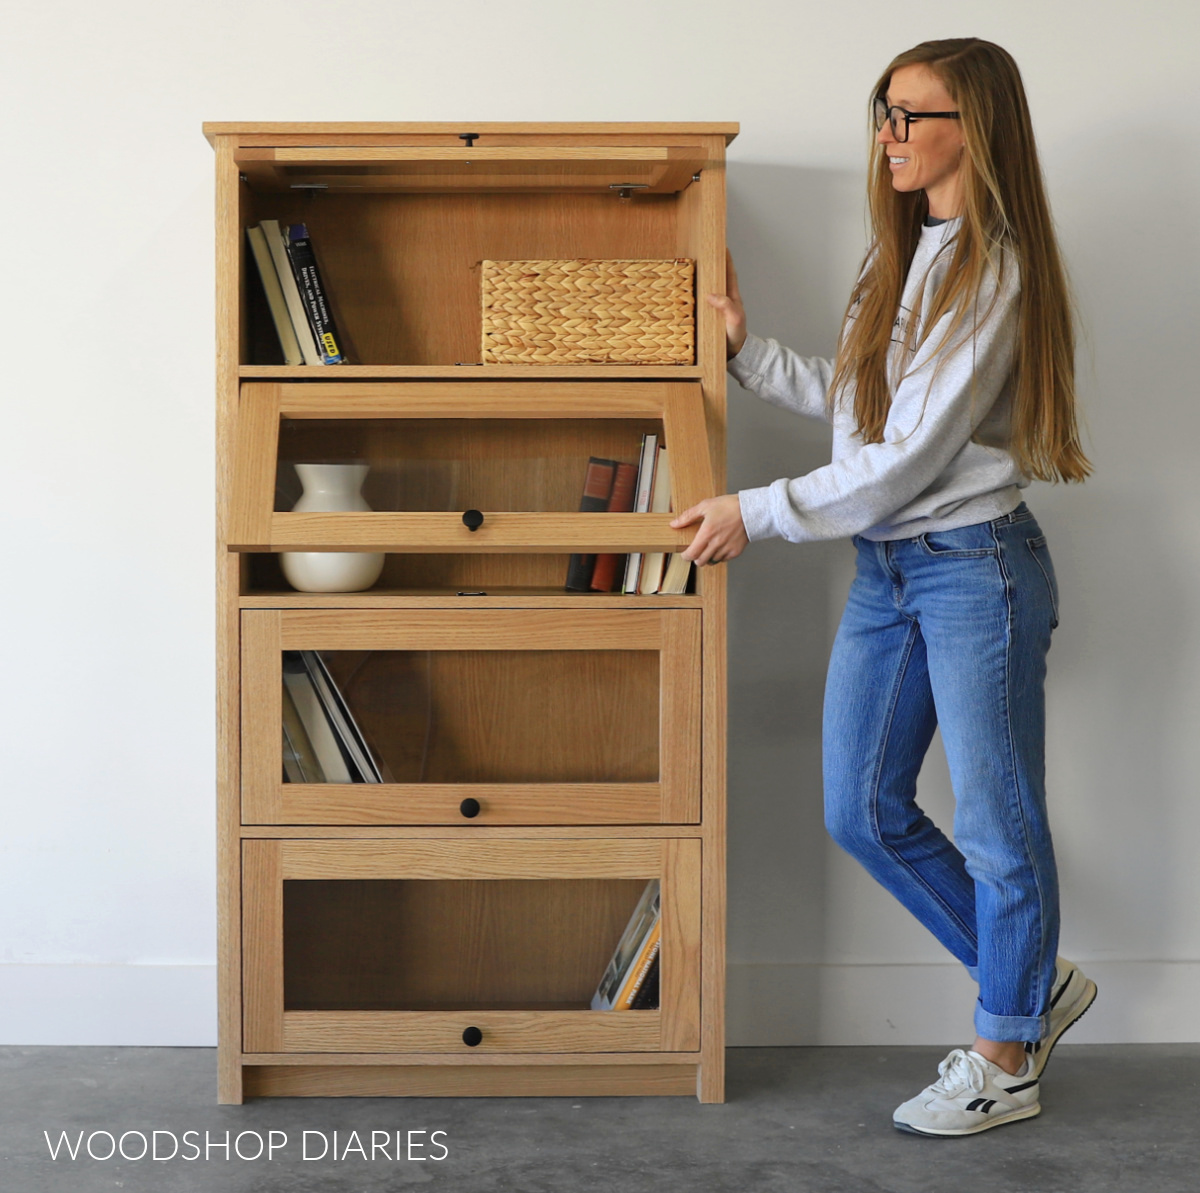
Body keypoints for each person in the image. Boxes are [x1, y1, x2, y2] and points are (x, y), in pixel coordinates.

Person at [671, 37, 1097, 1136]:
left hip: (972, 568)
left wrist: (757, 510)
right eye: (884, 110)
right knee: (861, 808)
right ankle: (1030, 983)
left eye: (912, 115)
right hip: (890, 566)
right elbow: (873, 409)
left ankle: (1005, 1054)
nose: (888, 134)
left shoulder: (992, 271)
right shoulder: (900, 252)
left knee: (997, 822)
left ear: (975, 129)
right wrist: (749, 353)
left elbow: (905, 464)